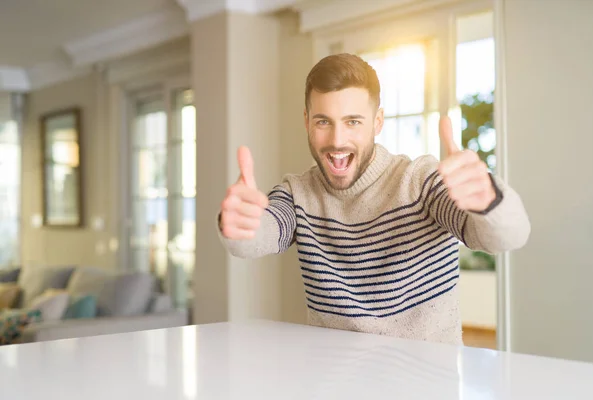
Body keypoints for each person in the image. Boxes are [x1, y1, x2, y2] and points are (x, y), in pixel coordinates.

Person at [216, 53, 530, 345]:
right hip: (334, 382)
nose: (337, 140)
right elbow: (256, 236)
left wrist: (488, 200)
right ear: (306, 121)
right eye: (323, 122)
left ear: (377, 122)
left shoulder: (420, 181)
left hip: (424, 383)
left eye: (353, 121)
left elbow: (508, 237)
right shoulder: (297, 194)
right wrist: (238, 223)